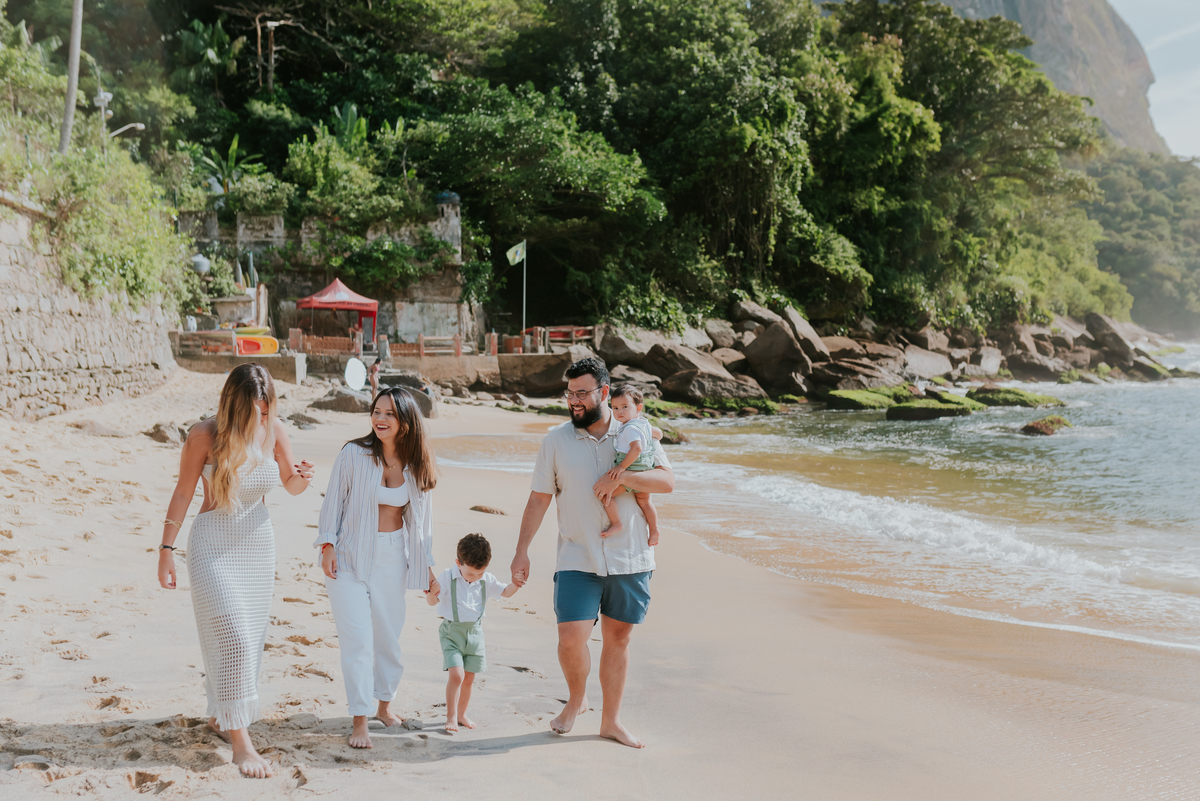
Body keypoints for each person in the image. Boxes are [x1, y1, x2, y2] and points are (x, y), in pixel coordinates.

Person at [157, 364, 314, 779]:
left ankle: (222, 718)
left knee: (250, 639)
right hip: (212, 543)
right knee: (234, 636)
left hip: (257, 546)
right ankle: (241, 745)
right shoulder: (203, 436)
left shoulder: (275, 430)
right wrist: (165, 551)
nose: (261, 420)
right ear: (233, 406)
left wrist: (302, 477)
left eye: (266, 411)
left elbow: (291, 485)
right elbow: (182, 492)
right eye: (254, 413)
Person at [509, 357, 675, 749]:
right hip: (577, 557)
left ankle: (611, 722)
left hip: (630, 557)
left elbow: (667, 481)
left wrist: (621, 477)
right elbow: (538, 499)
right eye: (569, 394)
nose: (574, 401)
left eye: (582, 393)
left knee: (618, 639)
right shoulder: (556, 440)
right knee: (570, 637)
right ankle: (577, 698)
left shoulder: (635, 430)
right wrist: (521, 551)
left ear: (603, 392)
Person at [316, 387, 437, 749]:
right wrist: (327, 545)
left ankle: (384, 705)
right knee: (358, 642)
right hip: (349, 558)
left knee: (388, 638)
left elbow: (422, 526)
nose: (380, 419)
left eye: (389, 414)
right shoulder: (353, 454)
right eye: (376, 411)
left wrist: (428, 569)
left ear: (406, 422)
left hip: (392, 558)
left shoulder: (417, 467)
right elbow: (332, 503)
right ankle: (360, 721)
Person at [426, 533, 521, 733]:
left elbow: (504, 591)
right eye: (470, 574)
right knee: (457, 675)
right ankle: (451, 716)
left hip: (475, 635)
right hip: (452, 633)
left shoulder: (485, 579)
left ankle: (462, 714)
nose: (475, 578)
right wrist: (432, 592)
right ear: (458, 563)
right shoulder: (447, 576)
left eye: (480, 573)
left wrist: (517, 584)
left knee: (469, 678)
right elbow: (432, 602)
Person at [601, 385, 661, 545]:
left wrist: (621, 468)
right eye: (615, 407)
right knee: (645, 502)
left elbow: (637, 448)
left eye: (625, 407)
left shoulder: (629, 429)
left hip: (632, 470)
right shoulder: (644, 424)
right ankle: (654, 529)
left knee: (606, 494)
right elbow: (659, 434)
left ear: (638, 408)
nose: (619, 411)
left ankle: (616, 522)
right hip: (645, 472)